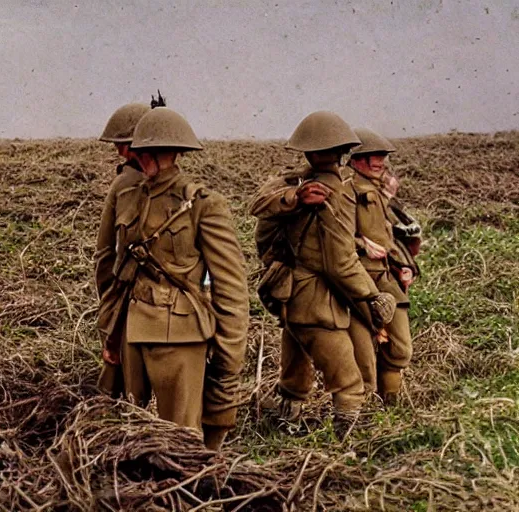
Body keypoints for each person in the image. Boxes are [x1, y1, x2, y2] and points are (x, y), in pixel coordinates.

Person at [99, 106, 250, 450]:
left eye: (161, 151)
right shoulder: (128, 196)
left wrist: (229, 353)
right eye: (149, 151)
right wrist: (110, 328)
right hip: (131, 327)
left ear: (177, 152)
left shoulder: (204, 204)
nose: (154, 159)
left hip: (180, 335)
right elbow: (110, 264)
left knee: (181, 437)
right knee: (124, 428)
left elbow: (230, 285)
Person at [251, 111, 397, 436]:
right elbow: (339, 263)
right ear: (344, 150)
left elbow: (260, 218)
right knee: (348, 383)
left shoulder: (296, 184)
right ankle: (348, 448)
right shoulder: (333, 191)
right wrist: (372, 298)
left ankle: (282, 430)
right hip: (319, 306)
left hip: (292, 299)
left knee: (294, 379)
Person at [345, 128, 415, 403]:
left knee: (400, 350)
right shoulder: (345, 189)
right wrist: (360, 244)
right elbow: (331, 236)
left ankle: (391, 410)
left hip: (384, 278)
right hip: (355, 281)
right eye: (376, 156)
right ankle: (363, 421)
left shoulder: (375, 190)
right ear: (357, 159)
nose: (381, 162)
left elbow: (385, 235)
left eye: (383, 156)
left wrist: (401, 266)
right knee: (363, 362)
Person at [93, 102, 149, 396]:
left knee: (116, 382)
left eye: (122, 145)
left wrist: (108, 297)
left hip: (129, 292)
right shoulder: (185, 188)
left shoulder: (124, 184)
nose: (118, 151)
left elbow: (105, 252)